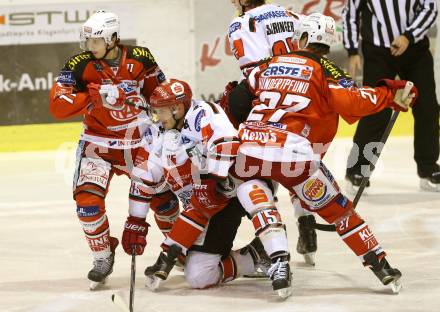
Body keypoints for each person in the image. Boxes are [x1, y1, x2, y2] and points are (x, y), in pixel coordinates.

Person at [228, 13, 417, 293]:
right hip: (295, 158)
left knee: (260, 204)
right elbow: (353, 102)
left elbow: (236, 101)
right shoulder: (325, 68)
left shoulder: (270, 64)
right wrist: (391, 95)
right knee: (340, 212)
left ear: (302, 37)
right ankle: (380, 265)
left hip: (250, 154)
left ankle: (271, 257)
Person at [49, 11, 180, 290]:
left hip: (137, 142)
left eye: (95, 41)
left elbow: (161, 94)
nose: (89, 47)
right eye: (87, 41)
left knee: (165, 203)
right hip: (98, 144)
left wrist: (162, 124)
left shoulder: (141, 57)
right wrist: (91, 97)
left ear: (112, 39)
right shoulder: (79, 63)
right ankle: (102, 255)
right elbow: (58, 106)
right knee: (87, 203)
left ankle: (177, 250)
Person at [139, 79, 291, 298]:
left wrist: (214, 179)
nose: (157, 118)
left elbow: (227, 142)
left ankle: (279, 258)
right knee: (197, 276)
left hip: (242, 176)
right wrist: (167, 255)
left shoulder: (203, 113)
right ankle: (256, 256)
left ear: (177, 108)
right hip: (216, 193)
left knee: (250, 194)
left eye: (160, 111)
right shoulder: (166, 137)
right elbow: (198, 207)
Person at [227, 0, 317, 266]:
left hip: (271, 97)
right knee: (299, 161)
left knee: (266, 162)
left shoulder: (241, 23)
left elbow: (257, 70)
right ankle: (307, 225)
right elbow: (311, 38)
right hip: (302, 95)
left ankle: (271, 234)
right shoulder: (286, 12)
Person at [342, 0, 439, 193]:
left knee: (427, 108)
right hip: (379, 51)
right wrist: (352, 50)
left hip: (415, 49)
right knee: (375, 111)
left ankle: (428, 167)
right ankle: (357, 169)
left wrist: (408, 36)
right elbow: (350, 14)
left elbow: (430, 9)